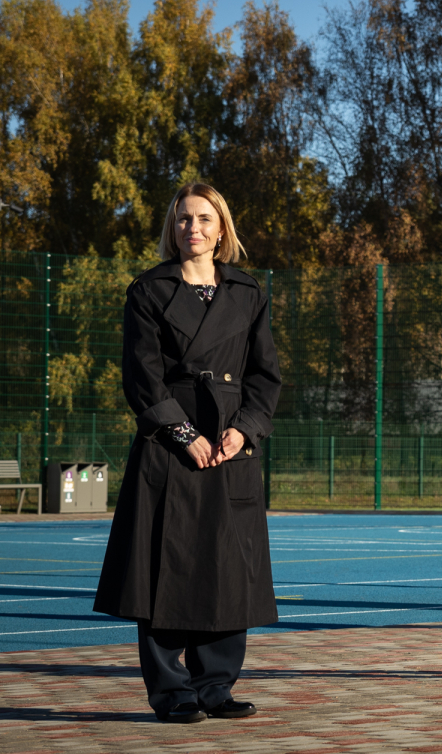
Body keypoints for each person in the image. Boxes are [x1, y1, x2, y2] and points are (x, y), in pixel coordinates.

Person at [94, 183, 282, 723]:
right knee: (163, 566)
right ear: (171, 228)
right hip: (169, 445)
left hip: (231, 446)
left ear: (221, 228)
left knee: (228, 566)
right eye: (182, 220)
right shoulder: (148, 290)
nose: (191, 229)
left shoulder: (248, 292)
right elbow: (142, 376)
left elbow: (265, 375)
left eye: (203, 219)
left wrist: (244, 430)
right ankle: (172, 691)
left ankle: (215, 686)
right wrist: (182, 434)